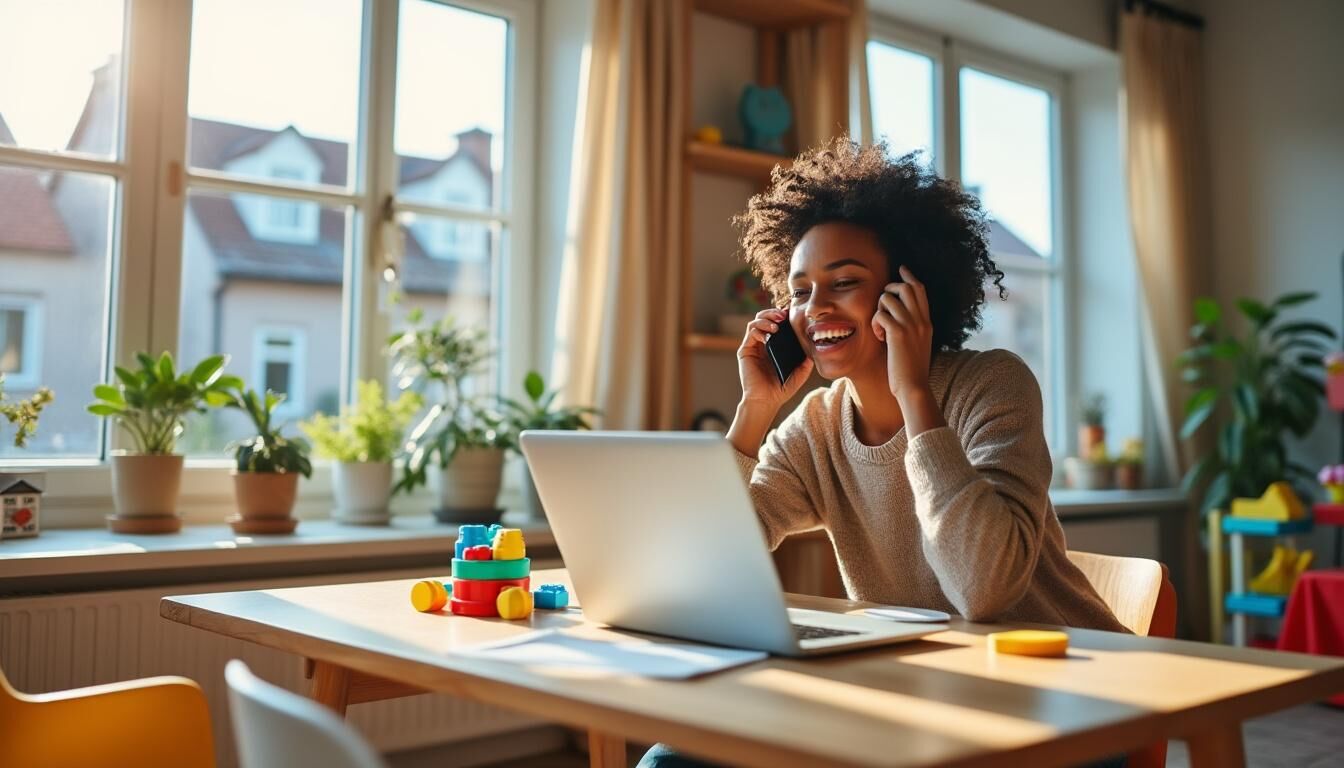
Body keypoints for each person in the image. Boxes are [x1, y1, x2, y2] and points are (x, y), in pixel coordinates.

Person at [637, 139, 1127, 768]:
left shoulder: (993, 384)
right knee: (673, 762)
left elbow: (983, 591)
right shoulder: (814, 424)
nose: (816, 310)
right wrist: (752, 414)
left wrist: (914, 393)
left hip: (1072, 702)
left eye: (844, 283)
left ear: (909, 292)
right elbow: (707, 563)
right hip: (923, 693)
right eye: (801, 291)